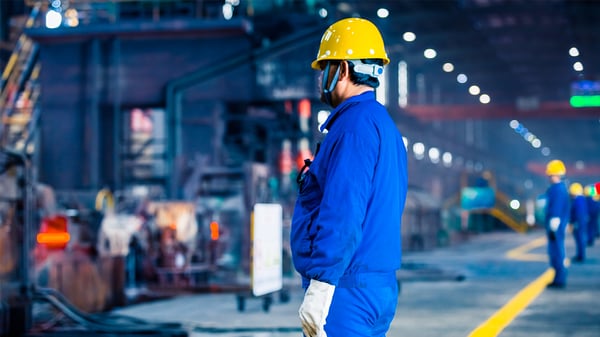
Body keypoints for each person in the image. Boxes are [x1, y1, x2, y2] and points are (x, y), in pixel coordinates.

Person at [290, 17, 408, 337]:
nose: (319, 80)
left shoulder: (353, 127)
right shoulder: (384, 126)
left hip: (347, 287)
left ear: (341, 69)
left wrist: (323, 285)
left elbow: (343, 211)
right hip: (376, 284)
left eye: (323, 69)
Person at [544, 159, 570, 288]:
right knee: (555, 252)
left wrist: (554, 224)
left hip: (556, 226)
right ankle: (558, 277)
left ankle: (560, 279)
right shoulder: (558, 188)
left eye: (550, 175)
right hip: (557, 226)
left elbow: (557, 209)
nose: (549, 177)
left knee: (557, 252)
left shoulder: (558, 189)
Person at [568, 182, 588, 262]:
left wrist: (575, 222)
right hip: (580, 222)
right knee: (579, 239)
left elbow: (578, 213)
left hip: (578, 222)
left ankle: (580, 256)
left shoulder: (578, 200)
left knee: (579, 239)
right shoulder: (581, 199)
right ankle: (580, 255)